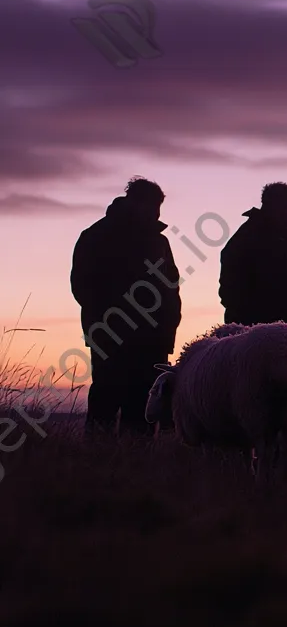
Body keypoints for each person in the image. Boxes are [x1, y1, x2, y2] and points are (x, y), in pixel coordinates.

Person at [70, 177, 182, 438]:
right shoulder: (97, 236)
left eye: (158, 208)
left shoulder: (159, 242)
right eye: (152, 207)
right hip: (111, 336)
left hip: (151, 339)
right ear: (134, 202)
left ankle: (136, 469)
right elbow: (82, 286)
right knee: (105, 403)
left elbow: (170, 287)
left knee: (143, 409)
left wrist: (167, 330)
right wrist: (109, 321)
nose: (155, 213)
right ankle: (96, 465)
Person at [219, 182, 287, 339]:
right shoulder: (249, 234)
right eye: (285, 207)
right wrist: (243, 318)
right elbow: (230, 281)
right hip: (255, 330)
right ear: (270, 206)